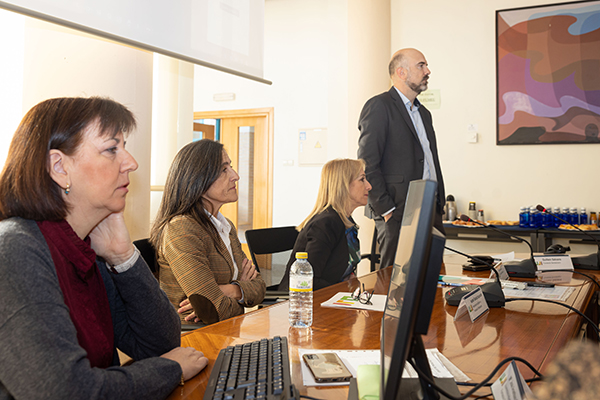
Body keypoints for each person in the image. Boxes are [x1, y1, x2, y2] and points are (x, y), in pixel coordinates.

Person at [0, 97, 207, 400]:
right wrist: (169, 370)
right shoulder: (16, 250)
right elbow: (65, 392)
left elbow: (161, 343)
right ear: (59, 167)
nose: (131, 163)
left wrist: (122, 257)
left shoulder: (86, 249)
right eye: (112, 149)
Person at [150, 139, 266, 326]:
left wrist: (230, 290)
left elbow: (260, 287)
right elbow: (213, 311)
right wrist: (241, 292)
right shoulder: (181, 229)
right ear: (198, 180)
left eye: (231, 167)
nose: (235, 176)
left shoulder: (225, 225)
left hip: (226, 332)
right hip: (193, 338)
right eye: (223, 170)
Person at [357, 48, 445, 269]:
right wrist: (386, 210)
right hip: (397, 210)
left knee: (432, 276)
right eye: (421, 65)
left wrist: (439, 203)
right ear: (401, 72)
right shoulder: (379, 106)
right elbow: (367, 163)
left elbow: (428, 160)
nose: (428, 71)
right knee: (395, 282)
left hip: (430, 208)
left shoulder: (424, 114)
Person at [278, 158, 372, 291]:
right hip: (303, 303)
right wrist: (344, 288)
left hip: (332, 298)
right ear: (344, 184)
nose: (369, 186)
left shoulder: (346, 222)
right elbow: (308, 280)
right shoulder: (325, 224)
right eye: (362, 179)